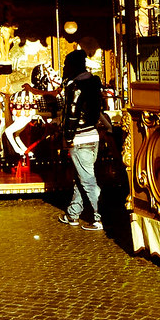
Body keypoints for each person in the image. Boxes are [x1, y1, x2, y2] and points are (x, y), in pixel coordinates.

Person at [57, 49, 105, 231]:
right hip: (92, 134)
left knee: (87, 179)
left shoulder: (75, 86)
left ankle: (99, 217)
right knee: (81, 176)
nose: (64, 67)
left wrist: (67, 137)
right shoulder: (93, 83)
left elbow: (71, 114)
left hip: (79, 136)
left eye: (66, 64)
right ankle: (73, 213)